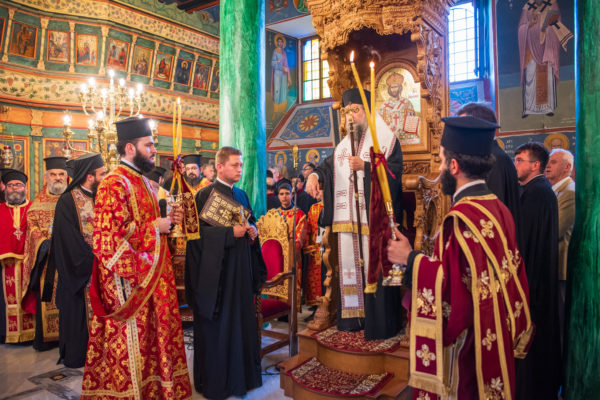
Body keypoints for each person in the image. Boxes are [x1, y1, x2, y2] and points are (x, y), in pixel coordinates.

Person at [387, 116, 534, 399]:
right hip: (495, 334)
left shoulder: (460, 219)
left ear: (454, 166)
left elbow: (453, 293)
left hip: (470, 348)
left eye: (442, 161)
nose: (440, 168)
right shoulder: (498, 208)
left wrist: (410, 259)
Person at [81, 117, 191, 399]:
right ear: (130, 148)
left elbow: (155, 227)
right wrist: (155, 228)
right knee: (134, 346)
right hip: (130, 285)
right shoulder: (113, 184)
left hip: (155, 280)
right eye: (149, 145)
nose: (154, 150)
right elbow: (107, 240)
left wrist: (170, 222)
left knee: (155, 342)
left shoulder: (147, 184)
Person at [306, 88, 404, 340]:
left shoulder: (387, 140)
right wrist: (314, 176)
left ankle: (381, 323)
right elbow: (327, 168)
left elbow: (394, 175)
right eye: (347, 111)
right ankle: (353, 319)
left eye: (355, 110)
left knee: (377, 268)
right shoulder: (343, 147)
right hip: (349, 223)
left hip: (377, 223)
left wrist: (367, 167)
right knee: (351, 267)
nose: (350, 116)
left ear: (367, 111)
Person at [185, 146, 266, 399]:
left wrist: (252, 231)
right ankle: (218, 384)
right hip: (216, 278)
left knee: (242, 324)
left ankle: (243, 379)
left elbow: (249, 221)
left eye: (241, 165)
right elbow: (195, 237)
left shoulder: (241, 194)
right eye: (235, 165)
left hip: (240, 272)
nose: (240, 169)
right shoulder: (203, 195)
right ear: (220, 167)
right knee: (219, 328)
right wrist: (229, 233)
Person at [48, 153, 106, 368]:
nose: (105, 177)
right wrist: (95, 259)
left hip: (104, 270)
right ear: (90, 177)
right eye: (102, 174)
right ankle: (80, 355)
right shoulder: (67, 201)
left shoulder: (104, 198)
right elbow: (67, 241)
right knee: (78, 316)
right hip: (80, 273)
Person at [513, 142, 561, 399]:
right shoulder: (539, 190)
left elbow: (525, 243)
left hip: (534, 282)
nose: (515, 164)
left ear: (535, 165)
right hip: (539, 279)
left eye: (520, 160)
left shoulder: (535, 194)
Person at [456, 102, 523, 248]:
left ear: (479, 128)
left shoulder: (492, 160)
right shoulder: (492, 156)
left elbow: (489, 214)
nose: (458, 135)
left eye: (463, 129)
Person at [22, 156, 68, 351]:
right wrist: (44, 244)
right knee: (48, 298)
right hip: (48, 261)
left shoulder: (73, 200)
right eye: (53, 174)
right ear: (46, 177)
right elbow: (32, 228)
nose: (57, 178)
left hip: (70, 261)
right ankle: (48, 339)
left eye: (61, 174)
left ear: (66, 176)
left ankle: (69, 335)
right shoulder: (37, 205)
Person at [518, 0, 573, 117]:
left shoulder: (552, 3)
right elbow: (520, 29)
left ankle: (547, 107)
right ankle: (529, 108)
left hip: (547, 48)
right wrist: (530, 25)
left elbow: (557, 23)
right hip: (531, 49)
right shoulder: (528, 6)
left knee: (547, 75)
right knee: (531, 74)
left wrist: (547, 29)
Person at [545, 148, 575, 348]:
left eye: (554, 162)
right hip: (553, 266)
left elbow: (555, 230)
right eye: (548, 161)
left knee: (562, 319)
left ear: (567, 167)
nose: (548, 165)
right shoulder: (555, 191)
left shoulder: (569, 193)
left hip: (562, 268)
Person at [0, 169, 34, 343]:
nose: (14, 188)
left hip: (30, 265)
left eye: (18, 185)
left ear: (26, 188)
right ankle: (6, 334)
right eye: (10, 185)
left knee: (30, 298)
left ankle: (32, 335)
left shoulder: (34, 209)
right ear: (5, 189)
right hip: (4, 267)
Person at [277, 180, 307, 305]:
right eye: (281, 194)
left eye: (287, 193)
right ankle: (277, 308)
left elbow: (300, 237)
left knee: (291, 282)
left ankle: (291, 308)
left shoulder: (299, 214)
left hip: (292, 255)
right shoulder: (274, 214)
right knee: (278, 281)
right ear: (278, 196)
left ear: (292, 195)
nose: (284, 196)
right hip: (277, 254)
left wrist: (289, 245)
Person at [378, 72, 416, 141]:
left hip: (405, 138)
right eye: (392, 87)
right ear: (389, 89)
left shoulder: (407, 103)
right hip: (389, 139)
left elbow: (411, 125)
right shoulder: (384, 106)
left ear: (400, 87)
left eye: (396, 87)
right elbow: (381, 127)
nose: (394, 89)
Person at [271, 34, 291, 116]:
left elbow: (286, 63)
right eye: (278, 42)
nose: (280, 43)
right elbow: (273, 63)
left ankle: (282, 109)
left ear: (283, 43)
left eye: (281, 42)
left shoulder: (284, 52)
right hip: (277, 73)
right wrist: (279, 64)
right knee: (277, 90)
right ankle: (275, 111)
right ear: (277, 43)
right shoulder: (275, 51)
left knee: (283, 91)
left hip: (283, 74)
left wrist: (286, 70)